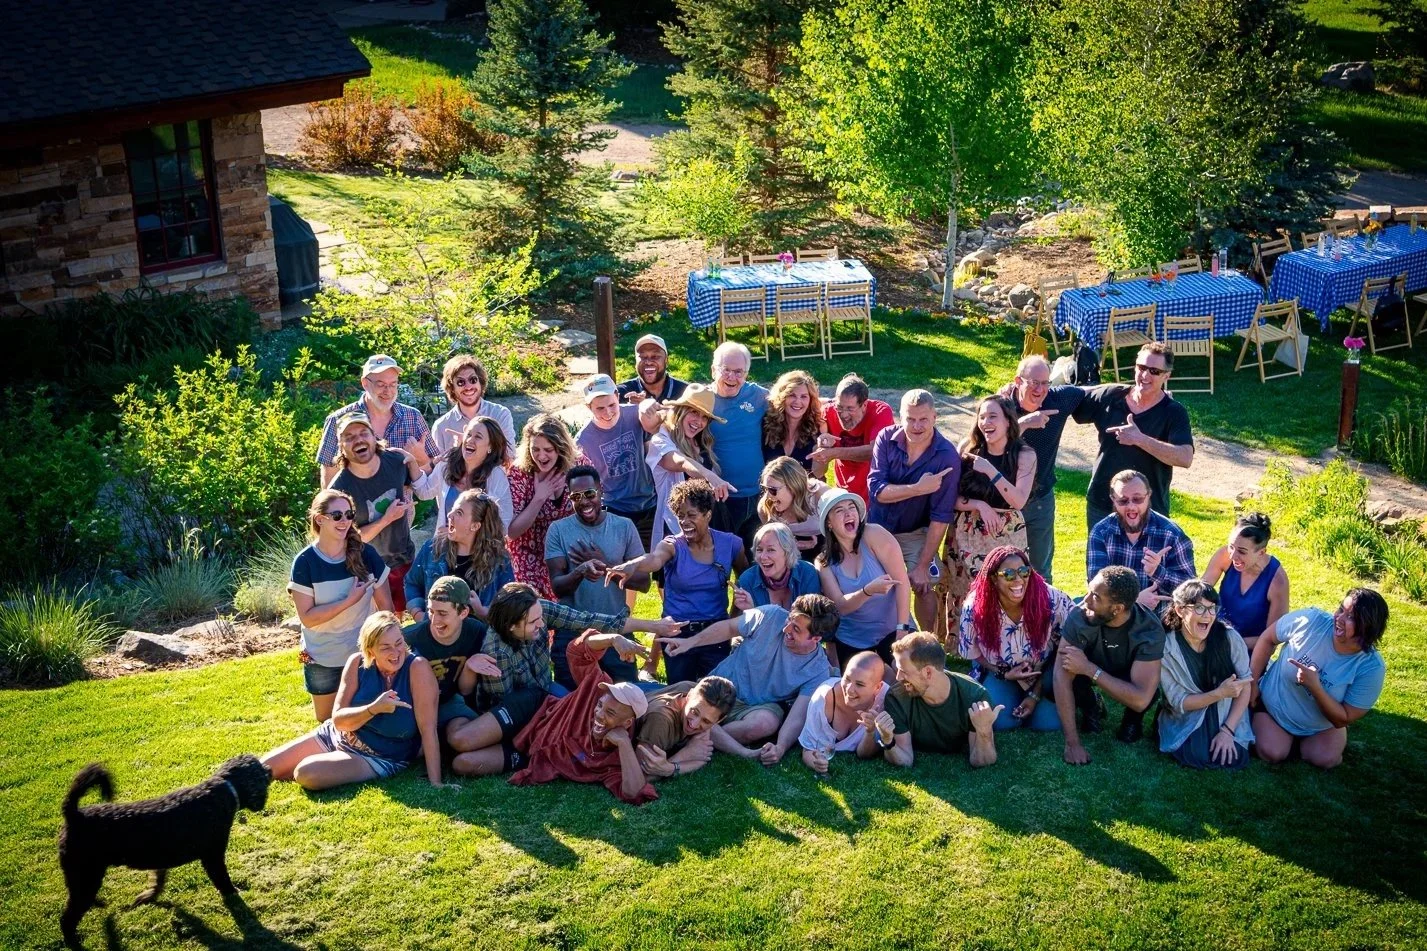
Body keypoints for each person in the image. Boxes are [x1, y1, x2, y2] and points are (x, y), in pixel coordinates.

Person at [446, 582, 683, 773]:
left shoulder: (539, 610)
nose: (541, 623)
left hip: (545, 695)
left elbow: (587, 621)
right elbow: (507, 705)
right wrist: (547, 735)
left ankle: (661, 701)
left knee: (592, 708)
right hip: (517, 709)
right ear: (511, 626)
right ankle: (532, 748)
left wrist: (653, 626)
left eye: (540, 616)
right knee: (463, 757)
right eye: (533, 622)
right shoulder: (496, 651)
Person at [262, 612, 447, 791]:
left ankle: (334, 763)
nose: (396, 652)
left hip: (378, 756)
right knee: (263, 768)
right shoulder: (357, 662)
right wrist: (374, 709)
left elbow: (428, 729)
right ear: (370, 650)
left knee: (305, 772)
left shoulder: (417, 668)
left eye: (399, 643)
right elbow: (339, 721)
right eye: (385, 647)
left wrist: (436, 782)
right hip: (336, 735)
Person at [660, 594, 838, 766]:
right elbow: (730, 628)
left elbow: (797, 717)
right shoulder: (771, 614)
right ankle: (704, 738)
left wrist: (781, 747)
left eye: (796, 629)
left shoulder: (818, 669)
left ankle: (691, 734)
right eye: (789, 620)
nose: (786, 629)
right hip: (721, 689)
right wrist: (690, 642)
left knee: (766, 723)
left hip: (756, 707)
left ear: (816, 638)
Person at [605, 479, 748, 683]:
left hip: (716, 632)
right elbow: (655, 559)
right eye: (680, 516)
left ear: (708, 515)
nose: (684, 522)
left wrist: (734, 618)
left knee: (716, 693)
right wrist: (633, 564)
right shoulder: (672, 544)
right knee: (680, 692)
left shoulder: (731, 544)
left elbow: (746, 578)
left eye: (691, 515)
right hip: (677, 632)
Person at [508, 629, 660, 804]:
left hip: (522, 751)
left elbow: (635, 793)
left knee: (471, 763)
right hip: (528, 712)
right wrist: (613, 638)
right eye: (601, 705)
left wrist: (624, 743)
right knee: (468, 741)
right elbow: (577, 650)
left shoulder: (614, 758)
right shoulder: (595, 689)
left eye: (610, 713)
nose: (599, 714)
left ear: (627, 723)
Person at [1251, 588, 1389, 770]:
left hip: (1321, 726)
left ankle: (1314, 743)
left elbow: (1344, 717)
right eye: (1341, 609)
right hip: (1274, 709)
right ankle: (1280, 738)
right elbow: (1268, 638)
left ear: (1367, 627)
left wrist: (1315, 687)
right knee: (1271, 752)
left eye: (1351, 617)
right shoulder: (1310, 621)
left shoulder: (1371, 667)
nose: (1339, 618)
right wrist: (1252, 683)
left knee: (1324, 760)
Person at [290, 489, 392, 722]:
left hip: (363, 654)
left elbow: (386, 609)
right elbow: (307, 618)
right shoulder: (305, 562)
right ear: (320, 519)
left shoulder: (367, 554)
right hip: (322, 655)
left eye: (349, 515)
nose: (345, 521)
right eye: (337, 516)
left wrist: (384, 647)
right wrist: (348, 601)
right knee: (327, 721)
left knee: (367, 718)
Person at [1074, 341, 1195, 529]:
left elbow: (1185, 457)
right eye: (1141, 367)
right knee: (1102, 560)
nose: (1145, 375)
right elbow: (1073, 398)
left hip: (1147, 510)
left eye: (1154, 371)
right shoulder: (1111, 396)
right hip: (1103, 504)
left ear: (1166, 376)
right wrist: (1018, 391)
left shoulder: (1173, 412)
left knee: (1146, 560)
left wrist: (1139, 439)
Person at [546, 465, 650, 683]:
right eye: (576, 496)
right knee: (571, 703)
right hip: (572, 632)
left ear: (601, 490)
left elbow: (643, 583)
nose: (584, 501)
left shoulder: (624, 526)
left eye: (589, 494)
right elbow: (557, 586)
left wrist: (607, 565)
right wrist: (580, 572)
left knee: (625, 700)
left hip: (617, 627)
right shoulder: (558, 530)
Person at [868, 389, 960, 634]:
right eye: (910, 419)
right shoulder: (885, 439)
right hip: (876, 531)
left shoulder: (947, 455)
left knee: (924, 584)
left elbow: (940, 517)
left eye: (923, 419)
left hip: (916, 532)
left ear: (935, 417)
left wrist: (921, 565)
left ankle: (927, 644)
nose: (916, 426)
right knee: (870, 584)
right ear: (900, 416)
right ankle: (880, 638)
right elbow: (877, 490)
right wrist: (918, 489)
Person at [1054, 566, 1167, 764]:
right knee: (1061, 679)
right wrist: (1072, 743)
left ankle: (1132, 720)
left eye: (1095, 597)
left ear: (1117, 609)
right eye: (1089, 591)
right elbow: (1060, 676)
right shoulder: (1080, 615)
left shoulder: (1149, 630)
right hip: (1085, 671)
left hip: (1123, 673)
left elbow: (1141, 697)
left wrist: (1089, 669)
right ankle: (1092, 707)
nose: (1085, 601)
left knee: (1147, 696)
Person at [957, 546, 1075, 732]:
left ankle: (1084, 698)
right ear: (994, 578)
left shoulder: (1051, 598)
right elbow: (972, 652)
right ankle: (1009, 693)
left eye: (1023, 571)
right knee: (1001, 722)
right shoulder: (975, 607)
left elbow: (1071, 644)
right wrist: (1002, 673)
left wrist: (1035, 694)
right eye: (1009, 574)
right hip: (1000, 671)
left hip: (1044, 672)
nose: (1019, 579)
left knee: (1050, 724)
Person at [328, 412, 431, 614]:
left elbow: (424, 490)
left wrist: (413, 462)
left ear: (374, 436)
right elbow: (347, 538)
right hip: (366, 568)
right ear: (341, 446)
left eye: (363, 433)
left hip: (403, 558)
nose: (358, 440)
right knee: (379, 625)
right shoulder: (339, 490)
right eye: (349, 437)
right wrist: (386, 519)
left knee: (404, 616)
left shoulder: (396, 461)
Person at [999, 355, 1088, 582]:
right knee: (1002, 569)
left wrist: (1145, 392)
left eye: (1046, 383)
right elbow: (987, 442)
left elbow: (1094, 392)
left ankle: (1041, 615)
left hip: (1040, 501)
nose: (1041, 390)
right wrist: (1027, 422)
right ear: (1018, 381)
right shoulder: (1000, 407)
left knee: (1040, 572)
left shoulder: (1058, 399)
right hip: (1001, 504)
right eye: (1034, 383)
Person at [946, 394, 1036, 607]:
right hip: (965, 532)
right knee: (964, 597)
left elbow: (1019, 501)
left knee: (1007, 594)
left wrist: (990, 471)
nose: (986, 422)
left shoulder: (1025, 455)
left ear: (1008, 421)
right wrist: (979, 505)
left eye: (993, 416)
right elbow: (950, 497)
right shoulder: (968, 449)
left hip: (1007, 534)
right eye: (982, 417)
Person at [1158, 581, 1254, 770]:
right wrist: (1219, 693)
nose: (1208, 616)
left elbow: (1245, 685)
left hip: (1227, 712)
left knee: (1233, 755)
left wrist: (1228, 730)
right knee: (1197, 755)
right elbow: (1180, 702)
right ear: (1179, 610)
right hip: (1188, 712)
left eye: (1212, 609)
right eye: (1200, 608)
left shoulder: (1230, 638)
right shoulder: (1166, 648)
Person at [869, 632, 1001, 767]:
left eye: (903, 671)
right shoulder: (896, 697)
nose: (898, 677)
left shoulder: (975, 696)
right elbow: (905, 760)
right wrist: (888, 741)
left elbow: (981, 762)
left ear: (928, 672)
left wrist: (984, 731)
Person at [816, 489, 912, 673]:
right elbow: (840, 606)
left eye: (852, 507)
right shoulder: (824, 562)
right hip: (853, 637)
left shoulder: (874, 534)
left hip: (893, 627)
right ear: (829, 523)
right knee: (860, 687)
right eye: (839, 510)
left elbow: (902, 583)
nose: (848, 513)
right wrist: (867, 591)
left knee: (907, 673)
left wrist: (902, 630)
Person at [316, 354, 438, 488]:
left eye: (393, 384)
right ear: (365, 383)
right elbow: (329, 480)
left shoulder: (413, 417)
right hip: (356, 507)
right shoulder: (338, 420)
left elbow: (436, 469)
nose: (388, 391)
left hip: (402, 507)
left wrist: (421, 459)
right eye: (381, 384)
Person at [1087, 469, 1196, 612]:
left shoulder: (1172, 534)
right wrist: (1135, 601)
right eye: (1123, 501)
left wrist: (1157, 571)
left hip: (1159, 620)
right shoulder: (1101, 532)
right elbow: (1097, 587)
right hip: (1113, 618)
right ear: (1113, 499)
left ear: (1149, 495)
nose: (1131, 507)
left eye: (1138, 499)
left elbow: (1191, 591)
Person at [401, 576, 489, 745]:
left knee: (465, 735)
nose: (434, 621)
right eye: (431, 611)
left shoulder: (476, 632)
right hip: (413, 707)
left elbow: (465, 691)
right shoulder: (409, 638)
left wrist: (470, 667)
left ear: (463, 612)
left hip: (449, 702)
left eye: (442, 613)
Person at [405, 490, 514, 623]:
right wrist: (419, 615)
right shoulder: (432, 549)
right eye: (452, 509)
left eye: (459, 513)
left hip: (478, 640)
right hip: (435, 636)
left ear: (475, 526)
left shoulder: (499, 560)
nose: (450, 515)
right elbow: (412, 583)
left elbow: (509, 605)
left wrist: (482, 611)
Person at [506, 413, 584, 598]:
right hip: (529, 555)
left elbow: (593, 508)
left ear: (561, 448)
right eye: (535, 449)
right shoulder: (519, 474)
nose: (541, 456)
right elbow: (511, 531)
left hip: (568, 551)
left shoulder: (579, 466)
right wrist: (539, 497)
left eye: (548, 449)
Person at [645, 384, 732, 548]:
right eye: (693, 412)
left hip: (709, 523)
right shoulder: (661, 440)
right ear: (680, 411)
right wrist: (710, 476)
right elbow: (680, 461)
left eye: (704, 417)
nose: (699, 422)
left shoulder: (702, 442)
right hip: (677, 527)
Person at [576, 374, 659, 544]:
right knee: (623, 565)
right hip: (615, 509)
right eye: (599, 408)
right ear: (588, 407)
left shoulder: (635, 415)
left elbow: (653, 447)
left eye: (612, 405)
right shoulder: (583, 441)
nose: (608, 413)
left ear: (617, 396)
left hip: (648, 502)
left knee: (657, 559)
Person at [706, 341, 770, 547]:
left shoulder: (758, 396)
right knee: (721, 558)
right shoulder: (702, 399)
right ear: (714, 370)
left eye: (739, 372)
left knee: (758, 558)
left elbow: (796, 401)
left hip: (758, 495)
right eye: (726, 370)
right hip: (721, 497)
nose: (732, 377)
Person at [1200, 512, 1288, 651]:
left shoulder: (1277, 581)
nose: (1233, 555)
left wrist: (1229, 643)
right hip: (1213, 638)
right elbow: (1199, 593)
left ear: (1261, 552)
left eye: (1242, 551)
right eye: (1231, 546)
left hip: (1247, 652)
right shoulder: (1225, 555)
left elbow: (1272, 641)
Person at [798, 651, 889, 776]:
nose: (849, 689)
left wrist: (870, 731)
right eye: (847, 679)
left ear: (877, 687)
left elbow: (863, 754)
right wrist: (817, 764)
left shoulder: (885, 700)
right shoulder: (823, 699)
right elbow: (809, 749)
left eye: (860, 684)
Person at [809, 373, 895, 504]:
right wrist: (823, 447)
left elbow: (874, 451)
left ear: (864, 405)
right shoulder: (827, 413)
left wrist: (834, 453)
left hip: (877, 493)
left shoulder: (880, 411)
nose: (844, 414)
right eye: (840, 407)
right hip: (845, 495)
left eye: (850, 409)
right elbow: (818, 471)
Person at [633, 676, 738, 781]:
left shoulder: (694, 691)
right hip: (635, 693)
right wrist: (682, 757)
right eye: (694, 712)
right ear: (689, 695)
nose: (694, 724)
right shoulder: (661, 720)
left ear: (718, 721)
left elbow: (701, 760)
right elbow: (638, 778)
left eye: (706, 721)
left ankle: (745, 753)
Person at [428, 415, 512, 532]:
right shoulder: (447, 463)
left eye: (478, 437)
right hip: (444, 545)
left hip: (479, 549)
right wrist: (415, 462)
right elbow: (424, 491)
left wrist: (462, 534)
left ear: (490, 447)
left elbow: (503, 525)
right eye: (468, 435)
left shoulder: (496, 476)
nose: (470, 440)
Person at [430, 354, 516, 455]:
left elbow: (509, 458)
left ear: (480, 382)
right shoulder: (441, 426)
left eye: (473, 380)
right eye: (461, 382)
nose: (468, 386)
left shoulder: (500, 414)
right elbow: (439, 468)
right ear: (452, 388)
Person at [734, 521, 822, 612]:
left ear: (787, 552)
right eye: (759, 550)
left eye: (771, 550)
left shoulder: (807, 573)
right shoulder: (747, 580)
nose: (763, 557)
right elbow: (744, 624)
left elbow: (813, 620)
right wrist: (751, 610)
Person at [756, 455, 832, 558]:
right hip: (789, 550)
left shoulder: (820, 496)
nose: (768, 495)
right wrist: (791, 545)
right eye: (765, 489)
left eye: (772, 490)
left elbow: (842, 533)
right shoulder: (765, 508)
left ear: (793, 486)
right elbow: (772, 543)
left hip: (827, 543)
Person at [762, 369, 824, 469]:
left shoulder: (817, 428)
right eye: (792, 395)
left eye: (804, 396)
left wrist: (823, 451)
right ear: (781, 397)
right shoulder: (766, 424)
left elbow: (820, 473)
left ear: (810, 400)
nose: (797, 401)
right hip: (770, 484)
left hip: (807, 484)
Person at [618, 333, 688, 404]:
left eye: (655, 357)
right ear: (635, 362)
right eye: (643, 357)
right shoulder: (621, 393)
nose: (648, 362)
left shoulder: (686, 393)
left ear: (666, 360)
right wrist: (630, 409)